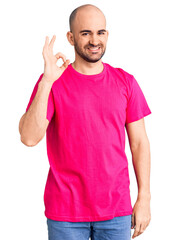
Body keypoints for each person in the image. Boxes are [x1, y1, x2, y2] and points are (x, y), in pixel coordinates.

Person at [19, 4, 151, 240]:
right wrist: (47, 81)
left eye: (100, 32)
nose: (94, 40)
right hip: (65, 214)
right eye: (85, 33)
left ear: (107, 35)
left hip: (116, 211)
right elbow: (29, 137)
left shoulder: (125, 82)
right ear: (71, 38)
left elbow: (139, 144)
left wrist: (144, 198)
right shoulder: (53, 82)